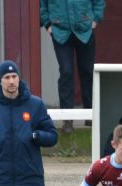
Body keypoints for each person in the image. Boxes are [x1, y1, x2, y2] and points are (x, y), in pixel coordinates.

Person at [39, 0, 105, 134]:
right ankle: (67, 119)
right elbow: (43, 5)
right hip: (60, 31)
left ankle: (90, 115)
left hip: (85, 29)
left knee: (87, 72)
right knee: (66, 72)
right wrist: (47, 24)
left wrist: (95, 19)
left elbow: (99, 2)